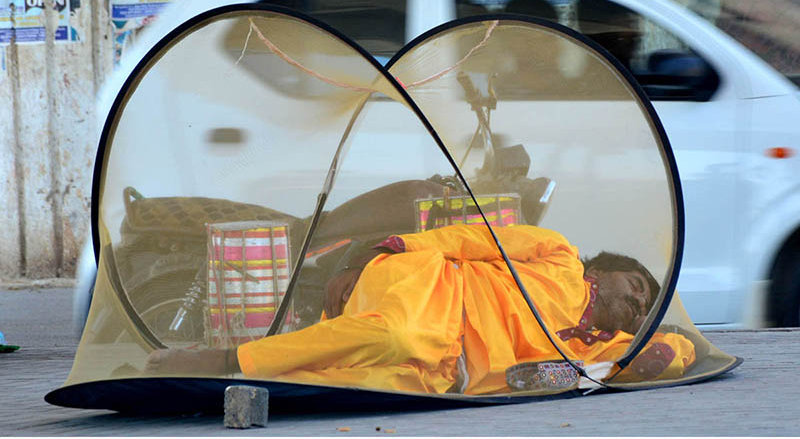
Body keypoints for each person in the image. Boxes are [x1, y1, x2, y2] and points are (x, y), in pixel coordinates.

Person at [145, 224, 695, 393]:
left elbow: (677, 353)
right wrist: (370, 253)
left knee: (358, 384)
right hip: (430, 286)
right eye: (639, 283)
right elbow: (467, 238)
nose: (641, 298)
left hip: (443, 367)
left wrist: (665, 343)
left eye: (646, 304)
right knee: (399, 337)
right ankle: (230, 360)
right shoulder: (560, 255)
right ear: (600, 271)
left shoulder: (608, 348)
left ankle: (243, 383)